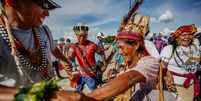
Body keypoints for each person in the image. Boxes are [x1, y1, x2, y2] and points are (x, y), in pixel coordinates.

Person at [0, 0, 94, 100]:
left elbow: (53, 49)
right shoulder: (2, 38)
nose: (47, 13)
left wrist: (65, 61)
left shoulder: (43, 30)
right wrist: (36, 96)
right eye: (43, 4)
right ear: (13, 1)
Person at [87, 10, 165, 100]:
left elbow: (130, 78)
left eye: (122, 47)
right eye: (118, 48)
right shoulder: (129, 61)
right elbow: (125, 72)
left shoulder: (149, 62)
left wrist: (87, 97)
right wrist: (115, 70)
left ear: (136, 45)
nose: (119, 52)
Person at [159, 25, 200, 101]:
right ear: (177, 37)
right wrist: (166, 78)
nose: (187, 37)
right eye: (184, 35)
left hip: (190, 85)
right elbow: (161, 65)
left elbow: (197, 65)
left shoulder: (195, 48)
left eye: (190, 34)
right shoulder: (169, 48)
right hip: (174, 85)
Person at [65, 23, 107, 92]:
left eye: (84, 36)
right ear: (76, 35)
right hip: (81, 74)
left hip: (91, 75)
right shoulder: (74, 47)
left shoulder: (93, 45)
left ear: (87, 36)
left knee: (94, 92)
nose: (82, 38)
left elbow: (102, 54)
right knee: (77, 91)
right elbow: (70, 55)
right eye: (79, 36)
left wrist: (105, 65)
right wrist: (67, 61)